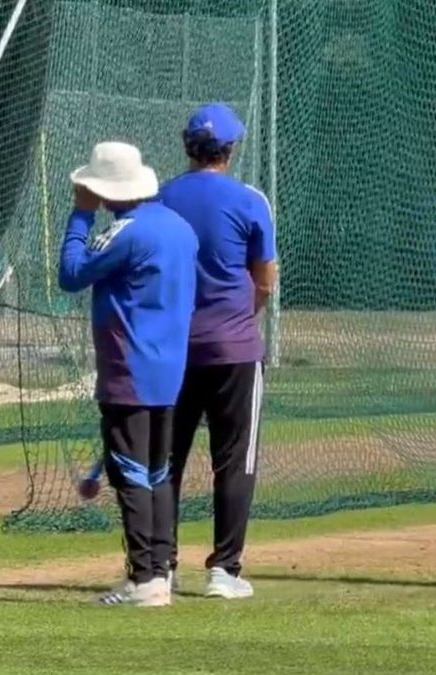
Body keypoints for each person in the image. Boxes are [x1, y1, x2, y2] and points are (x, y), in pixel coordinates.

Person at [59, 141, 198, 608]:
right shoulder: (180, 229)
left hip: (129, 370)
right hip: (169, 370)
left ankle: (145, 579)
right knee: (157, 472)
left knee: (132, 475)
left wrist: (81, 215)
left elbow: (71, 272)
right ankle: (159, 571)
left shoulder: (127, 233)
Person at [158, 103, 278, 600]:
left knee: (165, 458)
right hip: (234, 349)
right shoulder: (250, 200)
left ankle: (159, 564)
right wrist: (239, 319)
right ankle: (224, 570)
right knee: (234, 459)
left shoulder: (161, 198)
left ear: (189, 148)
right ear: (230, 150)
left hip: (172, 351)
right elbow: (265, 281)